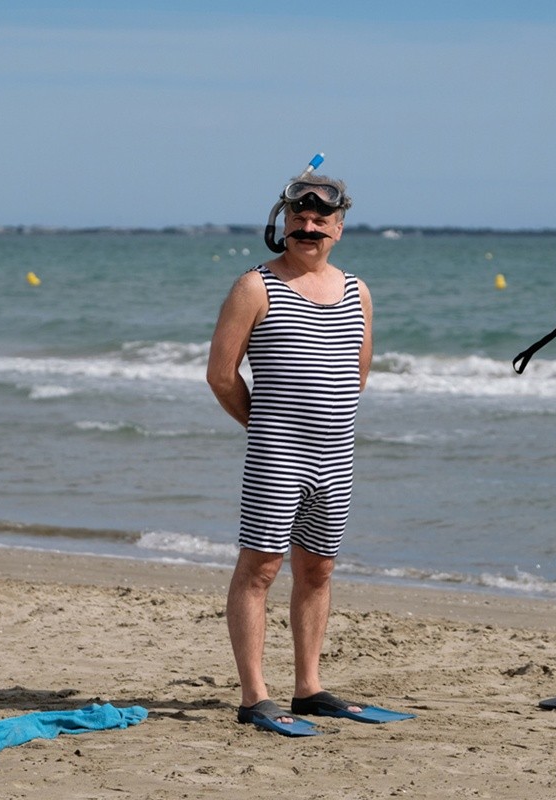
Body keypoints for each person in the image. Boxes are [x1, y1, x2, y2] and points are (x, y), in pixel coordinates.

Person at [207, 171, 378, 735]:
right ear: (283, 223)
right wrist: (265, 427)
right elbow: (221, 374)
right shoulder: (255, 286)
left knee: (319, 570)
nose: (308, 227)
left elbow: (357, 373)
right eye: (299, 218)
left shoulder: (357, 290)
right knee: (260, 568)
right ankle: (255, 694)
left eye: (320, 220)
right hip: (276, 457)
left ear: (339, 228)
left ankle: (309, 688)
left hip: (336, 459)